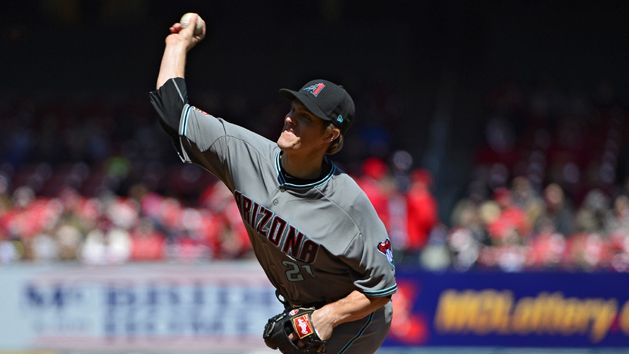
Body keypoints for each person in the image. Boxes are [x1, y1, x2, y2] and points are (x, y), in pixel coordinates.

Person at [149, 14, 397, 354]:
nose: (291, 118)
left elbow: (382, 288)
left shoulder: (348, 204)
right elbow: (172, 112)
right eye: (293, 108)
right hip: (300, 308)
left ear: (331, 134)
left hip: (355, 321)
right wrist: (176, 46)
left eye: (306, 117)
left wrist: (327, 317)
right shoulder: (245, 154)